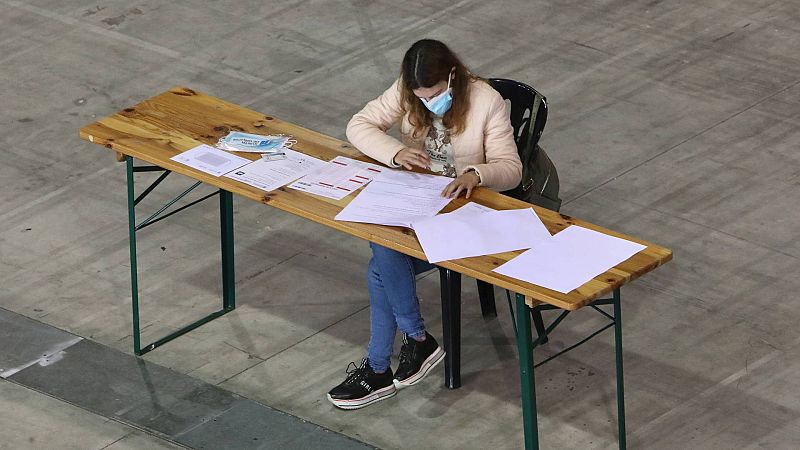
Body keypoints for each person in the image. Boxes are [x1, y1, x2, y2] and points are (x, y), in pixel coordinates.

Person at [327, 39, 522, 410]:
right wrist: (395, 152)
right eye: (419, 95)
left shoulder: (486, 101)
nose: (427, 101)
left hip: (463, 211)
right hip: (417, 202)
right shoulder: (406, 91)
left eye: (433, 94)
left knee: (381, 266)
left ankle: (385, 364)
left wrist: (476, 174)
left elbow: (511, 169)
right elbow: (359, 124)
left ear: (452, 77)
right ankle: (410, 343)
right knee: (383, 246)